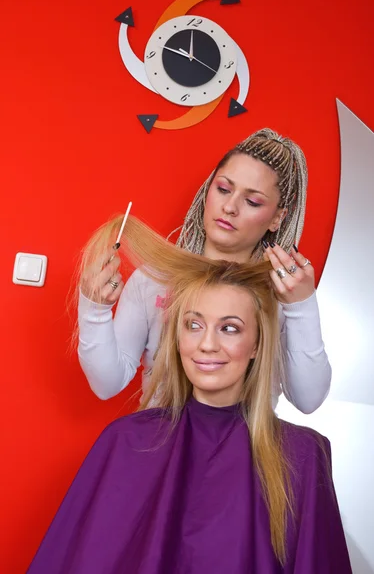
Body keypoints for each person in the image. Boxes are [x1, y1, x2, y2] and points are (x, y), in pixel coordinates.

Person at [28, 216, 351, 573]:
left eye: (229, 328)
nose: (207, 345)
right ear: (176, 336)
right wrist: (94, 309)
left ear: (257, 344)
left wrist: (302, 305)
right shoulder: (125, 443)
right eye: (193, 325)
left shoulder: (302, 456)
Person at [77, 128, 331, 412]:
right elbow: (107, 384)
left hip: (244, 454)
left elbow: (309, 400)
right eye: (223, 189)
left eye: (253, 201)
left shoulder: (284, 294)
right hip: (160, 450)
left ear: (277, 218)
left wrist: (302, 307)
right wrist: (94, 309)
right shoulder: (154, 280)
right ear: (207, 190)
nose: (230, 207)